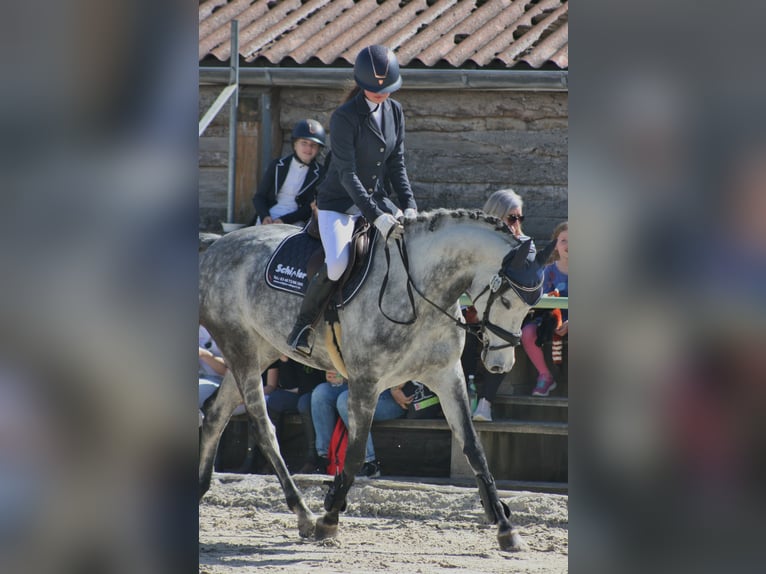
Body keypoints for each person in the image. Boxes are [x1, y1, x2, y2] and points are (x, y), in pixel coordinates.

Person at [287, 45, 418, 355]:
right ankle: (303, 326)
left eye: (386, 89)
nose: (381, 94)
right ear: (362, 84)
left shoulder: (395, 111)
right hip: (339, 203)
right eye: (375, 89)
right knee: (337, 264)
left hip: (376, 200)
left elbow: (396, 164)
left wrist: (409, 204)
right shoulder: (345, 117)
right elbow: (347, 174)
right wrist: (377, 216)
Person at [462, 188, 526, 421]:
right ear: (495, 216)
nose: (516, 223)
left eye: (520, 217)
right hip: (473, 310)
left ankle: (486, 403)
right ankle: (468, 396)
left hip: (504, 313)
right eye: (511, 217)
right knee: (465, 336)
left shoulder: (523, 245)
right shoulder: (475, 245)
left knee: (504, 339)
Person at [311, 369, 411, 477]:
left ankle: (368, 464)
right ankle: (325, 459)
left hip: (392, 394)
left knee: (347, 400)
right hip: (361, 387)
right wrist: (341, 376)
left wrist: (396, 387)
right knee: (321, 393)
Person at [521, 221, 568, 397]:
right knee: (527, 333)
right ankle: (545, 375)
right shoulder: (546, 272)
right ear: (555, 244)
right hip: (548, 321)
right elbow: (538, 300)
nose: (569, 245)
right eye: (563, 240)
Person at [251, 119, 326, 227]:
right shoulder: (277, 165)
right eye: (304, 143)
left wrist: (285, 220)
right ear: (295, 144)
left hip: (295, 219)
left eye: (313, 145)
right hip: (269, 215)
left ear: (318, 149)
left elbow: (309, 208)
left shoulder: (320, 173)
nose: (308, 148)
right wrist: (264, 216)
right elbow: (259, 197)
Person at [262, 355, 325, 473]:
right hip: (297, 393)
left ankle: (312, 459)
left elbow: (319, 379)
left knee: (304, 403)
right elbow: (288, 384)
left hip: (314, 393)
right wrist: (284, 361)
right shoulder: (289, 350)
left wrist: (300, 389)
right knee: (275, 400)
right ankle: (273, 458)